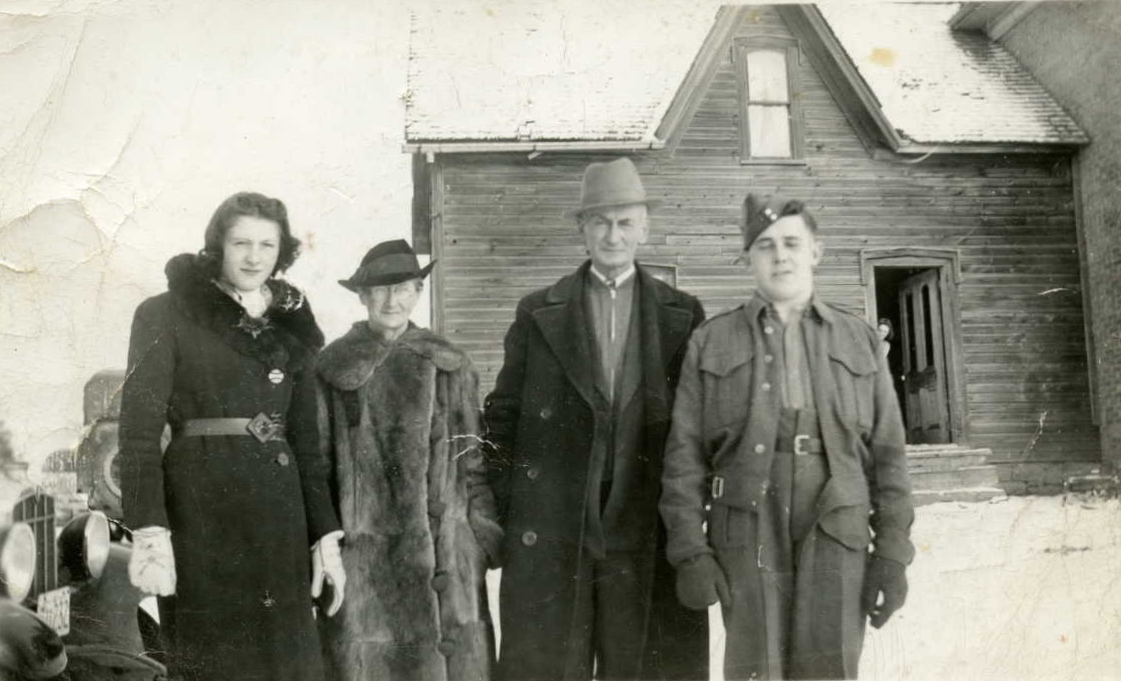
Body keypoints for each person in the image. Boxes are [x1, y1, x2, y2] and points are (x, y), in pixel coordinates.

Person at [660, 195, 915, 680]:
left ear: (815, 251)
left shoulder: (858, 339)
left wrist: (892, 554)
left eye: (792, 243)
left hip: (837, 520)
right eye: (765, 246)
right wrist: (690, 551)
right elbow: (684, 458)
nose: (780, 256)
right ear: (748, 257)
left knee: (828, 667)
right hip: (747, 526)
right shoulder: (711, 341)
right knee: (757, 669)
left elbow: (889, 457)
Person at [484, 157, 709, 680]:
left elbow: (700, 424)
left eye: (625, 222)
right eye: (601, 221)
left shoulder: (683, 313)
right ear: (581, 229)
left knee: (646, 664)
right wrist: (516, 504)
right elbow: (502, 416)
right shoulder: (539, 311)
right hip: (559, 524)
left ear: (644, 229)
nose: (613, 234)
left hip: (645, 518)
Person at [119, 191, 346, 681]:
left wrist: (324, 536)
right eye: (240, 242)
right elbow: (137, 434)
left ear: (282, 251)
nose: (253, 256)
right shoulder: (166, 313)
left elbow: (307, 445)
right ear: (217, 246)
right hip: (202, 512)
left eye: (267, 245)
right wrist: (150, 532)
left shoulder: (293, 323)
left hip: (279, 517)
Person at [317, 239, 502, 681]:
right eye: (379, 289)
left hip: (446, 560)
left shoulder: (450, 366)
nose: (392, 300)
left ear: (418, 292)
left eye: (404, 288)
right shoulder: (332, 369)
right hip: (365, 568)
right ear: (362, 297)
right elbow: (319, 468)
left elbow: (472, 461)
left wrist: (478, 541)